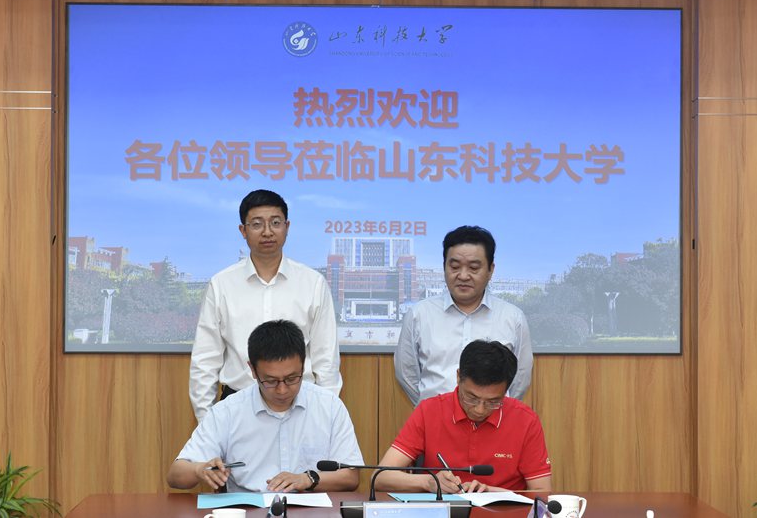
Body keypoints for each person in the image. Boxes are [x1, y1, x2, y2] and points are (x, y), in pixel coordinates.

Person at [190, 189, 341, 421]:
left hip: (301, 405)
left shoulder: (312, 283)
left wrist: (324, 417)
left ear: (287, 227)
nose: (268, 232)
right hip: (237, 405)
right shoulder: (221, 285)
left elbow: (326, 361)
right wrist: (207, 422)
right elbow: (205, 360)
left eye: (275, 223)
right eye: (257, 224)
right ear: (243, 230)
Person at [168, 320, 361, 493]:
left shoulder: (329, 406)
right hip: (249, 510)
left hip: (310, 512)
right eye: (270, 381)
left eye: (292, 378)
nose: (282, 390)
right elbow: (175, 475)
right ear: (252, 370)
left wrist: (308, 479)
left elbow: (351, 477)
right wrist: (199, 470)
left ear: (303, 366)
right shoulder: (227, 411)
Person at [375, 340, 551, 493]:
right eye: (471, 398)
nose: (480, 410)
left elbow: (542, 492)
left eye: (493, 402)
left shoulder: (525, 420)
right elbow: (380, 477)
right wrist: (429, 482)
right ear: (458, 377)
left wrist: (491, 492)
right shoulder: (429, 411)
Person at [395, 225, 532, 403]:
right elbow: (407, 375)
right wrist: (432, 409)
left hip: (492, 418)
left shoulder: (513, 318)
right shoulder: (418, 315)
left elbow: (520, 379)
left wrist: (490, 407)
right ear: (444, 266)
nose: (463, 275)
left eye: (474, 268)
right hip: (436, 418)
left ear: (490, 270)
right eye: (455, 266)